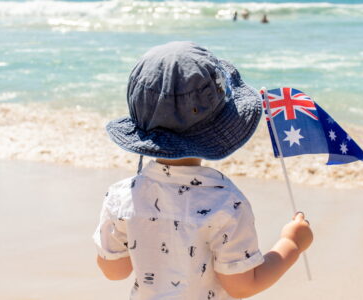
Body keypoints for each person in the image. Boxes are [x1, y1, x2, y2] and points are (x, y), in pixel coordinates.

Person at [93, 41, 313, 299]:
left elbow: (114, 270)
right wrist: (292, 244)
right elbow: (242, 285)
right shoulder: (225, 203)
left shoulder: (122, 197)